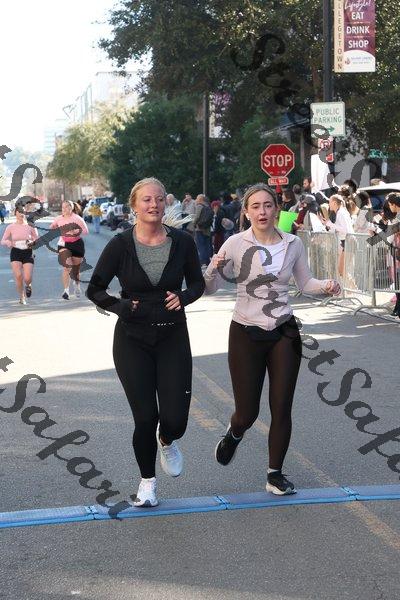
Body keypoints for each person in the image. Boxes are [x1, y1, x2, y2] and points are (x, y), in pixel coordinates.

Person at [204, 183, 340, 495]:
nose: (262, 211)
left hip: (283, 331)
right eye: (255, 206)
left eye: (268, 205)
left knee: (281, 406)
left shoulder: (293, 243)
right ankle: (234, 432)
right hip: (245, 331)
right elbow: (209, 288)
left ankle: (275, 474)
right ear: (246, 212)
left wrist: (327, 286)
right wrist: (213, 269)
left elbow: (305, 283)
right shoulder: (235, 243)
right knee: (247, 413)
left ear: (277, 209)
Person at [86, 177, 205, 507]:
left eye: (159, 199)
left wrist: (184, 297)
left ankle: (167, 440)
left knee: (175, 420)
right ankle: (147, 484)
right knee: (144, 418)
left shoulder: (182, 242)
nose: (153, 204)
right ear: (134, 206)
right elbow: (95, 288)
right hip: (132, 340)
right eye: (146, 200)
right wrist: (121, 307)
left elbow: (197, 284)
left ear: (166, 204)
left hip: (172, 337)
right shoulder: (120, 245)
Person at [50, 200, 89, 299]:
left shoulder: (77, 218)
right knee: (67, 267)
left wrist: (75, 231)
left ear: (71, 208)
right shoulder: (59, 218)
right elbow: (52, 227)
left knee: (76, 270)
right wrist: (53, 227)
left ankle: (77, 285)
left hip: (77, 244)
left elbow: (86, 231)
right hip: (64, 244)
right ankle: (66, 291)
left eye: (66, 207)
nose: (64, 209)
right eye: (62, 207)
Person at [1, 205, 39, 304]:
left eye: (23, 212)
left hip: (28, 252)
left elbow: (37, 239)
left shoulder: (30, 226)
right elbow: (3, 240)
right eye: (19, 211)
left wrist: (32, 242)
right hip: (16, 252)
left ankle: (28, 285)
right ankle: (22, 297)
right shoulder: (11, 227)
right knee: (18, 275)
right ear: (16, 213)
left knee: (27, 278)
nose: (22, 213)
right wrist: (9, 243)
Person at [323, 195, 354, 276]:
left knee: (343, 271)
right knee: (342, 271)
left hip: (349, 242)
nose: (329, 204)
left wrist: (329, 224)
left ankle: (353, 285)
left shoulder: (341, 212)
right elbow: (337, 228)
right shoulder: (340, 212)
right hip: (346, 242)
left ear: (334, 203)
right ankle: (350, 284)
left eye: (329, 202)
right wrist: (327, 223)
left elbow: (345, 229)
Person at [193, 194, 213, 266]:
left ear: (200, 199)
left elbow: (197, 217)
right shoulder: (208, 206)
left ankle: (202, 261)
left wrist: (193, 223)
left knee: (200, 246)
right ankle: (207, 261)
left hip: (199, 228)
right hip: (207, 229)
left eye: (197, 198)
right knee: (206, 245)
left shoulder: (199, 206)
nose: (196, 200)